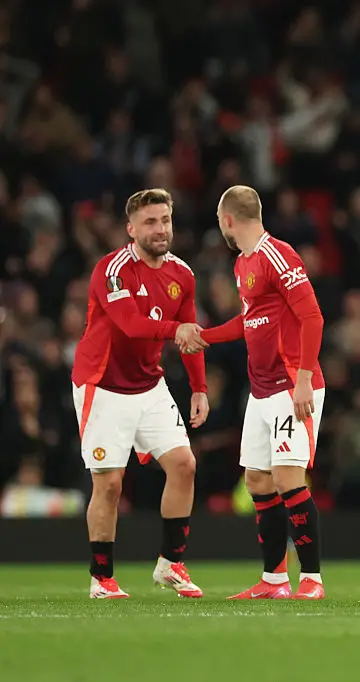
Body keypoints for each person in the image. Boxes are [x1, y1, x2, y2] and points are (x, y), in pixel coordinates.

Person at [181, 185, 326, 600]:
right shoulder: (243, 264)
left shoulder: (277, 255)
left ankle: (312, 579)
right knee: (258, 480)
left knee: (286, 476)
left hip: (291, 386)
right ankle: (275, 580)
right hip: (261, 390)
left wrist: (301, 378)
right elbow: (250, 322)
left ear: (227, 220)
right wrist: (204, 337)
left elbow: (313, 317)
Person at [71, 188, 209, 599]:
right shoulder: (111, 269)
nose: (160, 229)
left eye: (165, 220)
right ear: (131, 229)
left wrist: (199, 387)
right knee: (110, 485)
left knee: (184, 465)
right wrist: (175, 330)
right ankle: (102, 578)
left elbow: (190, 335)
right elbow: (131, 324)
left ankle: (171, 564)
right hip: (103, 384)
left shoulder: (182, 274)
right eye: (150, 222)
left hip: (149, 383)